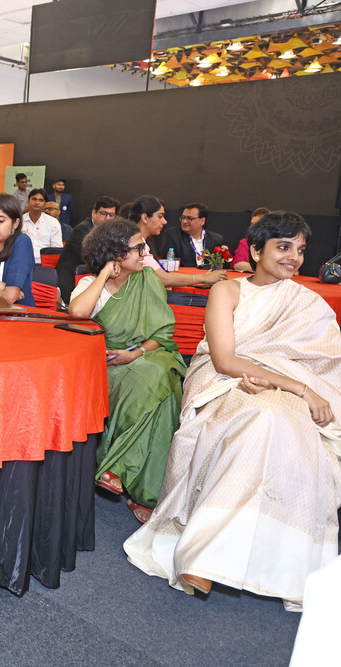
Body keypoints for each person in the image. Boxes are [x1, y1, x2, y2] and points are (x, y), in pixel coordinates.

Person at [124, 212, 341, 610]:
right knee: (259, 418)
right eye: (283, 247)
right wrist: (297, 387)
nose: (294, 257)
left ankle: (279, 564)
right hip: (226, 380)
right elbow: (224, 359)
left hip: (282, 387)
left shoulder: (308, 303)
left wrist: (289, 384)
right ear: (256, 250)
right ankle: (205, 555)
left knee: (284, 424)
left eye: (300, 250)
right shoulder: (229, 291)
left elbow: (324, 361)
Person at [69, 219, 186, 524]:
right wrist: (105, 273)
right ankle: (144, 495)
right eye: (138, 248)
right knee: (163, 398)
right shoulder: (90, 284)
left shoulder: (148, 279)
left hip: (148, 354)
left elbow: (162, 333)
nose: (145, 253)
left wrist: (136, 353)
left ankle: (117, 467)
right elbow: (78, 313)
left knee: (155, 378)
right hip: (107, 365)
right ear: (117, 254)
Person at [129, 195, 227, 289]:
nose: (164, 221)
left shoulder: (142, 242)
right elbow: (164, 279)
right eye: (160, 216)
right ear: (145, 218)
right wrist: (204, 278)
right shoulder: (133, 243)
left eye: (190, 218)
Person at [57, 195, 119, 306]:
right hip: (71, 280)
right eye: (103, 213)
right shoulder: (82, 230)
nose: (107, 218)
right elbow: (92, 258)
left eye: (111, 215)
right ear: (94, 213)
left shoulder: (108, 232)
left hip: (89, 277)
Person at [159, 202, 225, 269]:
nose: (184, 221)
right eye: (183, 218)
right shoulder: (173, 236)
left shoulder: (216, 239)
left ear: (202, 221)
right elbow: (167, 263)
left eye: (190, 218)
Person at [21, 188, 63, 264]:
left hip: (44, 264)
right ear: (28, 201)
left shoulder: (53, 223)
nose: (37, 202)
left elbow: (56, 249)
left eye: (41, 200)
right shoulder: (19, 221)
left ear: (45, 204)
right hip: (22, 262)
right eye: (34, 199)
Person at [231, 207, 270, 272]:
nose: (252, 227)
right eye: (252, 224)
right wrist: (264, 270)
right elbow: (238, 264)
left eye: (256, 224)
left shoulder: (276, 243)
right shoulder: (245, 242)